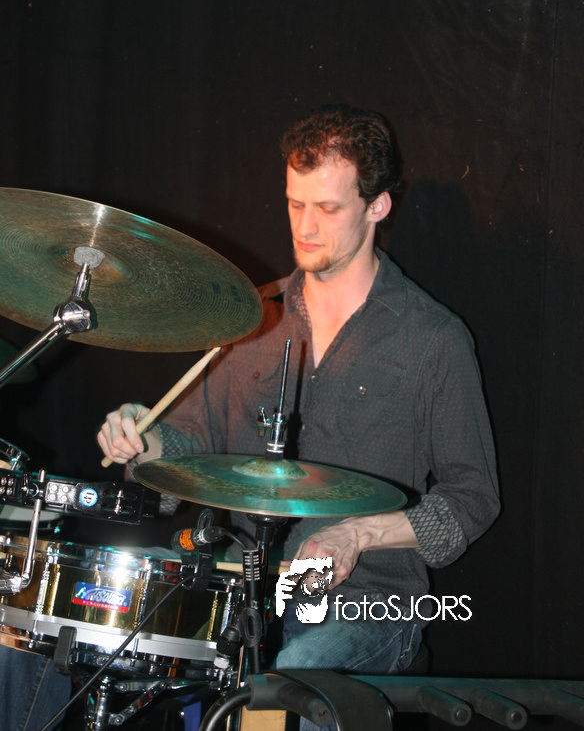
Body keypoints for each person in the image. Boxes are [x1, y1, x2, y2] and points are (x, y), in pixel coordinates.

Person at [97, 105, 500, 689]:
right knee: (94, 615)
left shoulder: (433, 339)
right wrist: (143, 439)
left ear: (377, 206)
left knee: (294, 677)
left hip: (368, 603)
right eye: (295, 204)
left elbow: (474, 498)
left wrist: (359, 534)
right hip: (241, 586)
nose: (305, 226)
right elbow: (186, 447)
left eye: (328, 208)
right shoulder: (251, 318)